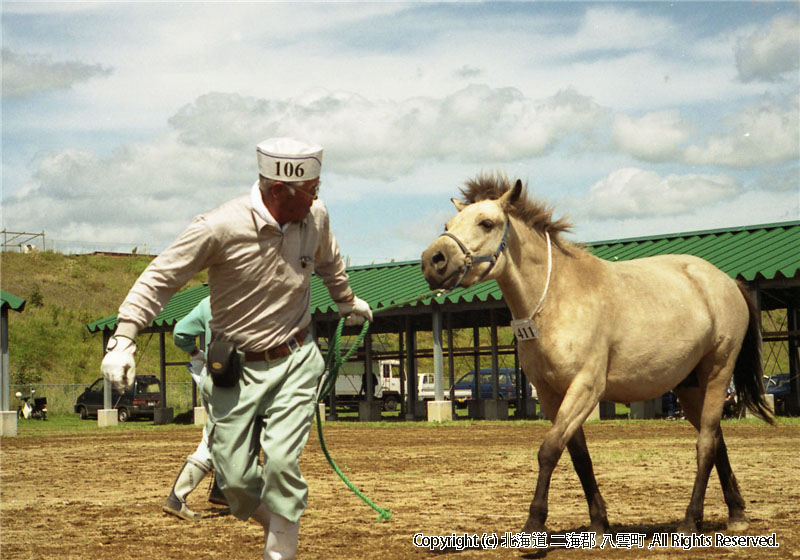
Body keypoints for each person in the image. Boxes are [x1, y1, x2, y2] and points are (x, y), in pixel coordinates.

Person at [101, 137, 372, 559]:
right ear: (280, 190)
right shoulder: (218, 226)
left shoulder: (315, 217)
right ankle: (280, 525)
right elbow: (161, 277)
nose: (318, 197)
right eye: (312, 190)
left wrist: (345, 299)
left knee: (281, 464)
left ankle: (281, 546)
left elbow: (329, 259)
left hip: (296, 359)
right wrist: (124, 337)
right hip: (235, 370)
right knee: (234, 484)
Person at [163, 295, 228, 520]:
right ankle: (177, 498)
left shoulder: (209, 302)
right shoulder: (256, 298)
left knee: (225, 436)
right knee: (214, 441)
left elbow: (180, 333)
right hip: (238, 383)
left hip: (213, 377)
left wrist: (193, 351)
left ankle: (223, 490)